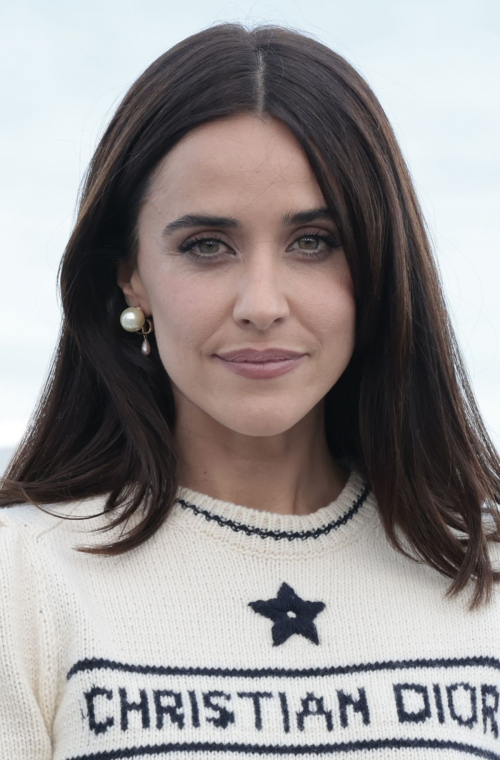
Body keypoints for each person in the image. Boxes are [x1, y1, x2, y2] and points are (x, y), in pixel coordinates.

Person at [1, 21, 499, 759]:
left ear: (380, 263)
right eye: (207, 246)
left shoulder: (483, 571)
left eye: (314, 242)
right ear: (127, 272)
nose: (261, 303)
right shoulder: (25, 579)